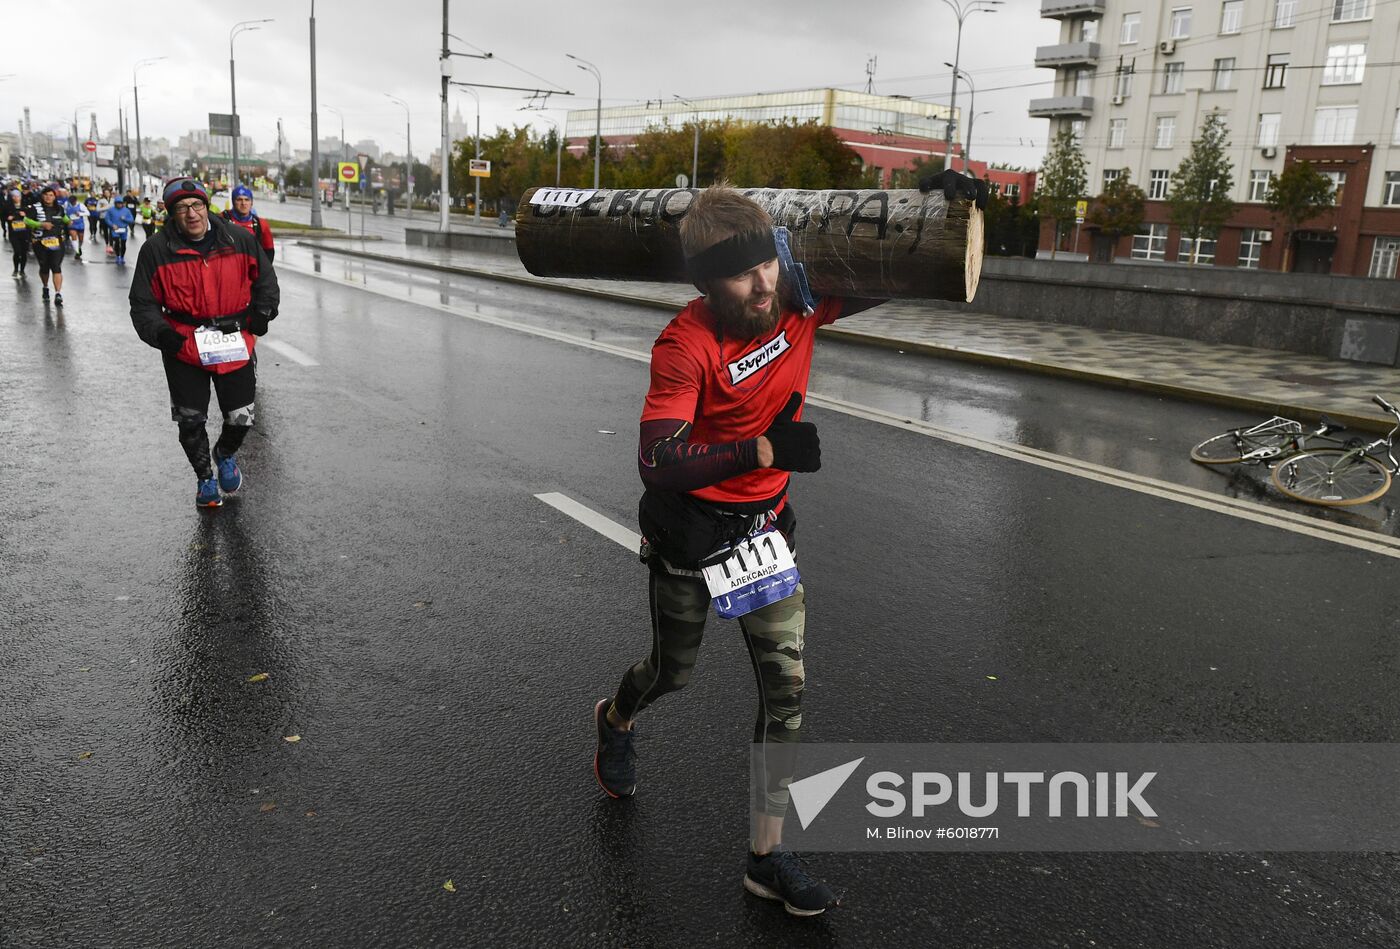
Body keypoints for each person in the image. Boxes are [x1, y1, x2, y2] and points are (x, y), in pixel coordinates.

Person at [591, 175, 986, 918]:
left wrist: (934, 210)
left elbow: (895, 274)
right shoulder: (686, 344)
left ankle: (766, 859)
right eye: (743, 272)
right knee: (672, 672)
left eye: (767, 261)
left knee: (787, 695)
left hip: (762, 533)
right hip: (691, 531)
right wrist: (764, 445)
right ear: (708, 281)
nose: (763, 282)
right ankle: (616, 718)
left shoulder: (800, 296)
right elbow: (656, 459)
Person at [129, 177, 279, 508]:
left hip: (234, 340)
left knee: (242, 417)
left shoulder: (238, 238)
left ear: (206, 205)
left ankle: (224, 453)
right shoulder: (155, 250)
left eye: (197, 205)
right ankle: (204, 479)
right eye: (182, 208)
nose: (192, 214)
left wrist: (261, 315)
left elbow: (265, 282)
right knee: (190, 421)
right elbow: (143, 305)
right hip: (184, 344)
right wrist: (162, 335)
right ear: (171, 213)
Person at [29, 184, 69, 305]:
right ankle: (45, 286)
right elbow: (26, 221)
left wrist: (70, 221)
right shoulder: (35, 208)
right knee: (44, 267)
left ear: (54, 197)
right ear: (42, 196)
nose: (48, 197)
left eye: (51, 195)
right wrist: (41, 225)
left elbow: (65, 218)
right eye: (46, 195)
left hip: (57, 241)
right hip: (40, 242)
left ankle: (58, 293)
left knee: (56, 266)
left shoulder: (59, 208)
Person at [220, 185, 275, 261]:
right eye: (239, 200)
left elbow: (269, 251)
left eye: (247, 200)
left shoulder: (261, 224)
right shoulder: (222, 219)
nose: (243, 203)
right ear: (233, 202)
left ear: (251, 203)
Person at [4, 188, 32, 278]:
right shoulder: (8, 206)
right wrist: (8, 218)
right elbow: (3, 216)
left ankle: (22, 270)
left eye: (18, 196)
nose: (16, 198)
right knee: (17, 251)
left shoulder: (26, 206)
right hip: (14, 233)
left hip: (24, 233)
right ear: (12, 197)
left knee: (24, 252)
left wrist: (26, 215)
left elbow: (32, 217)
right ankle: (15, 269)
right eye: (14, 196)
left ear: (20, 197)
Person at [105, 197, 135, 264]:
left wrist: (124, 219)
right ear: (115, 204)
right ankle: (118, 256)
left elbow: (131, 220)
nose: (119, 205)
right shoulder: (111, 210)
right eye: (118, 203)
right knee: (117, 243)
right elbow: (107, 219)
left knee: (123, 243)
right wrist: (112, 225)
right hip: (115, 229)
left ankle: (122, 257)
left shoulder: (126, 210)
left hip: (123, 229)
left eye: (120, 203)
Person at [65, 193, 88, 261]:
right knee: (73, 237)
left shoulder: (81, 205)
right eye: (71, 202)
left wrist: (80, 213)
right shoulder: (66, 204)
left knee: (81, 239)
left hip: (80, 224)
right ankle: (77, 252)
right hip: (71, 224)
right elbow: (64, 212)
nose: (72, 204)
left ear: (76, 201)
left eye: (73, 202)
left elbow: (87, 213)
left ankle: (79, 248)